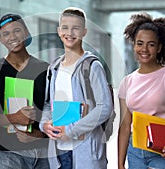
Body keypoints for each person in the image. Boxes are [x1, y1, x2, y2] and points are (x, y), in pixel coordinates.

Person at [39, 7, 113, 169]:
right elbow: (47, 104)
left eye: (76, 28)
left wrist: (71, 131)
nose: (69, 32)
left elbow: (105, 107)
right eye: (65, 27)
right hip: (59, 152)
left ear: (84, 32)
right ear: (59, 31)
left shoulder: (92, 66)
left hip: (86, 152)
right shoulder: (54, 67)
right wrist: (44, 124)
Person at [117, 12, 165, 169]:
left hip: (164, 150)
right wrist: (120, 163)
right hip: (135, 151)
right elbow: (125, 125)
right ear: (134, 45)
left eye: (151, 44)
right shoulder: (127, 82)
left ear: (159, 47)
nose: (144, 49)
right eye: (139, 43)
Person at [0, 13, 49, 169]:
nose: (12, 37)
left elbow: (52, 109)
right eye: (6, 34)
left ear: (26, 32)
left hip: (43, 153)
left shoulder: (45, 68)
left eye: (17, 30)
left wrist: (39, 135)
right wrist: (15, 117)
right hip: (9, 154)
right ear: (1, 40)